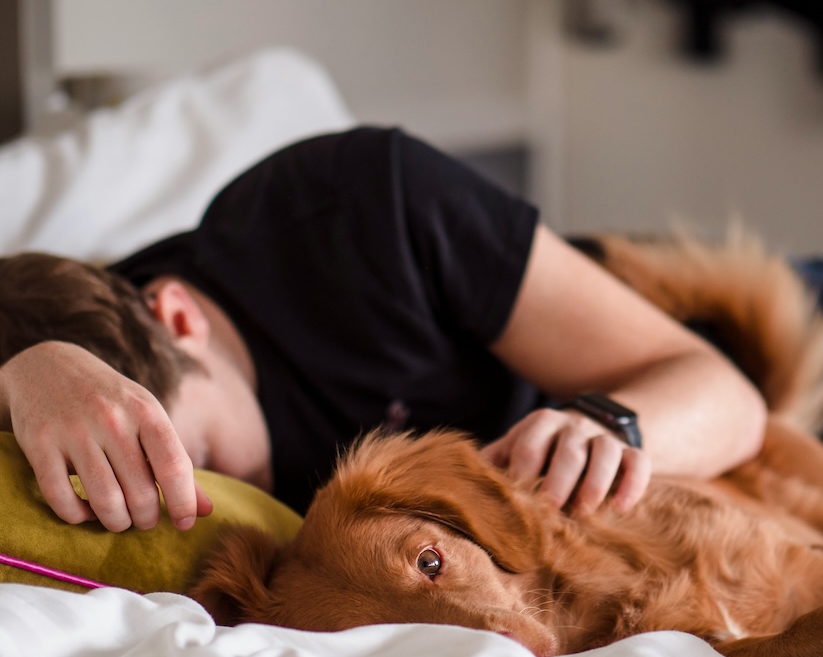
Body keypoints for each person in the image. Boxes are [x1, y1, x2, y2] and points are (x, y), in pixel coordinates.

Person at [0, 127, 768, 533]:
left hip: (723, 309)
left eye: (198, 458)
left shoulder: (361, 204)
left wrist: (606, 428)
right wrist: (25, 368)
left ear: (179, 319)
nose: (212, 503)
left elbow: (728, 395)